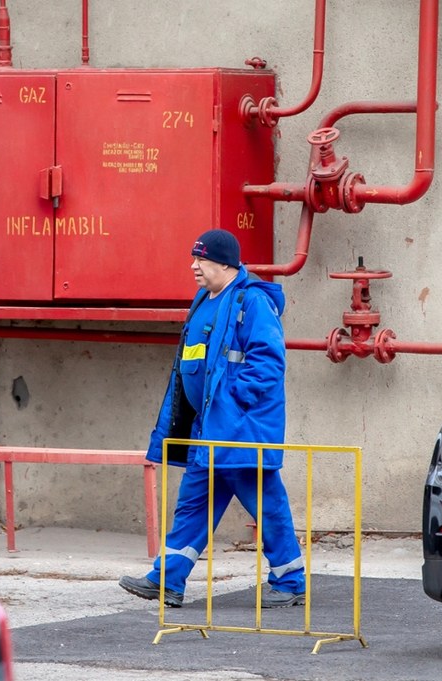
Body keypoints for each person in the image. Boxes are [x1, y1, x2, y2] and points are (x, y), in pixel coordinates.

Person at [119, 228, 305, 608]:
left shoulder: (251, 302)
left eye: (201, 260)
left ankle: (291, 583)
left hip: (239, 430)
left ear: (224, 264)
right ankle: (166, 580)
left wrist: (233, 401)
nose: (194, 266)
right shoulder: (205, 298)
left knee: (266, 505)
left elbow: (268, 362)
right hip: (210, 428)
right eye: (194, 259)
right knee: (193, 503)